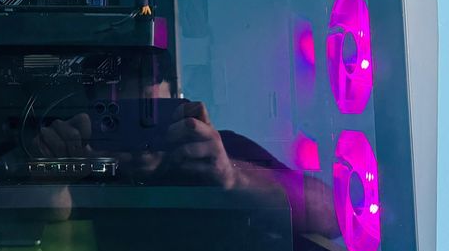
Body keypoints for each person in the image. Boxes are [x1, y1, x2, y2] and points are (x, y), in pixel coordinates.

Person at [29, 52, 339, 238]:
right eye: (119, 120)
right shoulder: (82, 162)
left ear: (177, 102)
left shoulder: (212, 153)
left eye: (150, 114)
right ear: (94, 115)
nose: (139, 136)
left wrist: (234, 178)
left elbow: (331, 215)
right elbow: (44, 221)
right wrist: (54, 179)